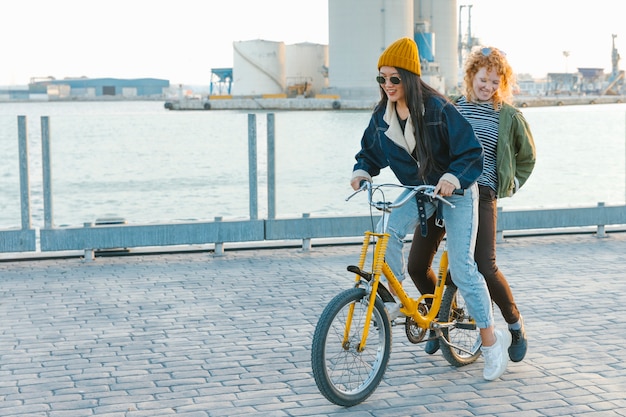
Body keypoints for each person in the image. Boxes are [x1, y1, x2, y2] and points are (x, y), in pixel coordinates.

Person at [350, 37, 510, 381]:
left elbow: (472, 152)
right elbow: (370, 151)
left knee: (465, 269)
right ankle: (393, 299)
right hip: (418, 191)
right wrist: (362, 171)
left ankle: (491, 342)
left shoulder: (438, 108)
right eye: (382, 79)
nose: (388, 85)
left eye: (394, 78)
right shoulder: (383, 115)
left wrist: (453, 176)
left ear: (409, 77)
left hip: (457, 192)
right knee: (388, 233)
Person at [407, 46, 536, 362]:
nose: (489, 87)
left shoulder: (508, 116)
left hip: (482, 195)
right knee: (416, 265)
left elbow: (527, 158)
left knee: (483, 265)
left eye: (495, 82)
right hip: (445, 192)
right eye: (484, 79)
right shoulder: (452, 108)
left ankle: (515, 326)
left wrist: (509, 184)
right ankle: (443, 315)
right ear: (471, 76)